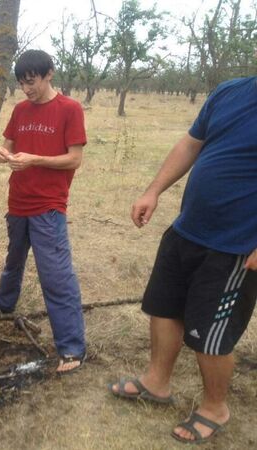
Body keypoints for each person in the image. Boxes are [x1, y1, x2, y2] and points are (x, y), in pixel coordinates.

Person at [110, 75, 257, 444]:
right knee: (163, 308)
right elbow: (191, 145)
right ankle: (156, 382)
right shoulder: (230, 91)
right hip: (188, 229)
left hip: (236, 246)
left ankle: (214, 407)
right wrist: (153, 190)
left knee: (210, 336)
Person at [0, 49, 87, 374]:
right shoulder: (21, 110)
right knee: (14, 259)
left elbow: (74, 159)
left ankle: (71, 347)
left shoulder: (69, 109)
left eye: (32, 82)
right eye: (22, 83)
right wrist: (2, 154)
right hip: (18, 200)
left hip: (48, 205)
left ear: (49, 73)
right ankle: (3, 304)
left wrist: (34, 159)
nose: (27, 89)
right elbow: (8, 147)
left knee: (55, 275)